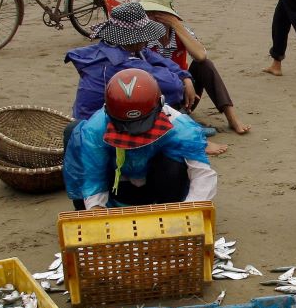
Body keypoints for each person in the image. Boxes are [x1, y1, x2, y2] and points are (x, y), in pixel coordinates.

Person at [64, 69, 216, 209]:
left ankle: (166, 208)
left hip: (159, 186)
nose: (135, 133)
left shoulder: (180, 126)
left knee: (173, 165)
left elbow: (202, 174)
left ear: (161, 104)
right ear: (107, 111)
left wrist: (188, 210)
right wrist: (96, 210)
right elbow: (93, 174)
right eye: (126, 125)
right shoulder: (96, 128)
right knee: (74, 133)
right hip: (118, 185)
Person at [139, 0, 250, 134]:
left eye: (156, 13)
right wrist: (184, 78)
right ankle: (179, 121)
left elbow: (201, 55)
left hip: (186, 96)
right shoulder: (140, 37)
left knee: (204, 65)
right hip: (157, 95)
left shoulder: (180, 31)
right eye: (147, 13)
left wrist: (176, 24)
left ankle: (232, 117)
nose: (151, 17)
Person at [64, 2, 199, 122]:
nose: (146, 40)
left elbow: (158, 59)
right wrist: (182, 80)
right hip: (95, 125)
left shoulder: (114, 47)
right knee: (156, 96)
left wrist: (184, 76)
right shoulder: (121, 63)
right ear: (135, 38)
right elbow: (173, 86)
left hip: (101, 117)